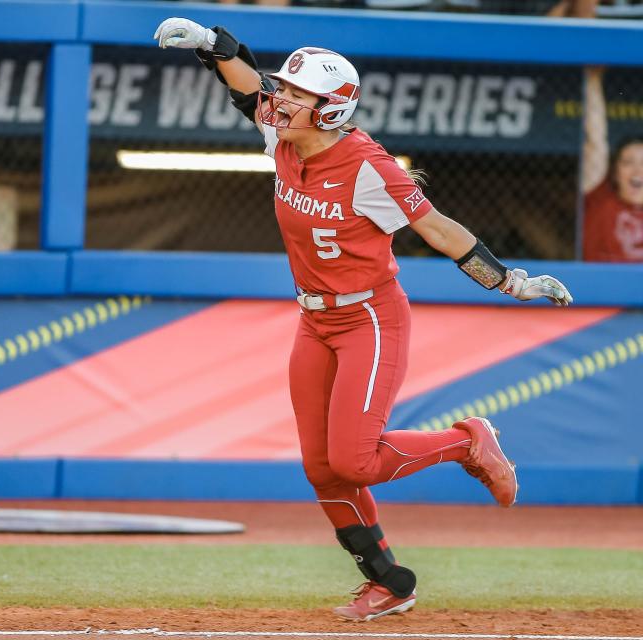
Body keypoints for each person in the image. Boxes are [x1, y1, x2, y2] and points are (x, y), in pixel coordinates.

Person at [153, 18, 573, 622]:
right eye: (287, 91)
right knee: (321, 467)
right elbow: (249, 89)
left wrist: (510, 281)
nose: (282, 102)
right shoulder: (283, 133)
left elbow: (437, 229)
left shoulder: (368, 167)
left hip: (368, 320)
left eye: (300, 96)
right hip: (313, 322)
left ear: (330, 111)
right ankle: (389, 582)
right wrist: (213, 46)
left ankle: (467, 442)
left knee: (354, 459)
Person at [581, 66, 643, 262]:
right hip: (601, 290)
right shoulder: (601, 199)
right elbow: (595, 142)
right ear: (615, 173)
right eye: (627, 162)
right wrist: (592, 80)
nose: (637, 170)